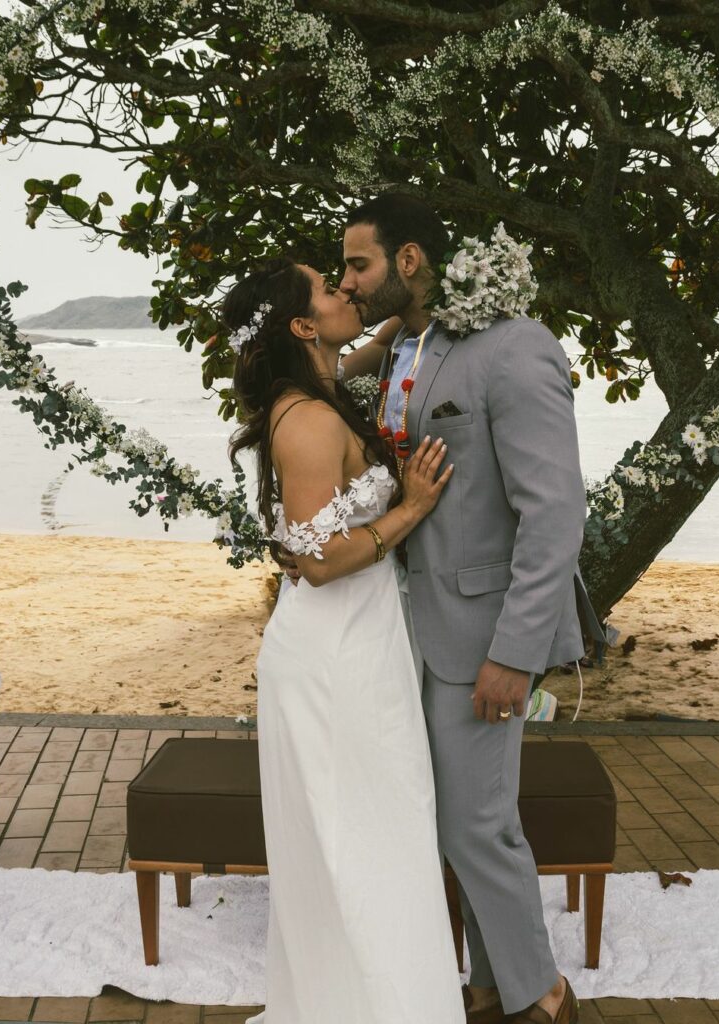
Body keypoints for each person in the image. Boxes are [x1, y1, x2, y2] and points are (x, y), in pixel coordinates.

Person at [335, 192, 598, 1024]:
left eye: (358, 264)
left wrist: (516, 653)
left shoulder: (514, 349)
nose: (347, 280)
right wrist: (374, 338)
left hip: (482, 633)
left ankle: (541, 997)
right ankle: (489, 989)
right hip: (406, 627)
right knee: (452, 824)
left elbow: (554, 511)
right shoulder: (407, 346)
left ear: (408, 260)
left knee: (475, 827)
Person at [224, 257, 466, 1024]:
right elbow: (320, 561)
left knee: (378, 831)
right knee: (365, 839)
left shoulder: (327, 387)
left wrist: (411, 304)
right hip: (333, 660)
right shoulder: (310, 421)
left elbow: (379, 334)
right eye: (329, 288)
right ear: (301, 325)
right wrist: (413, 507)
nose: (345, 289)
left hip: (362, 644)